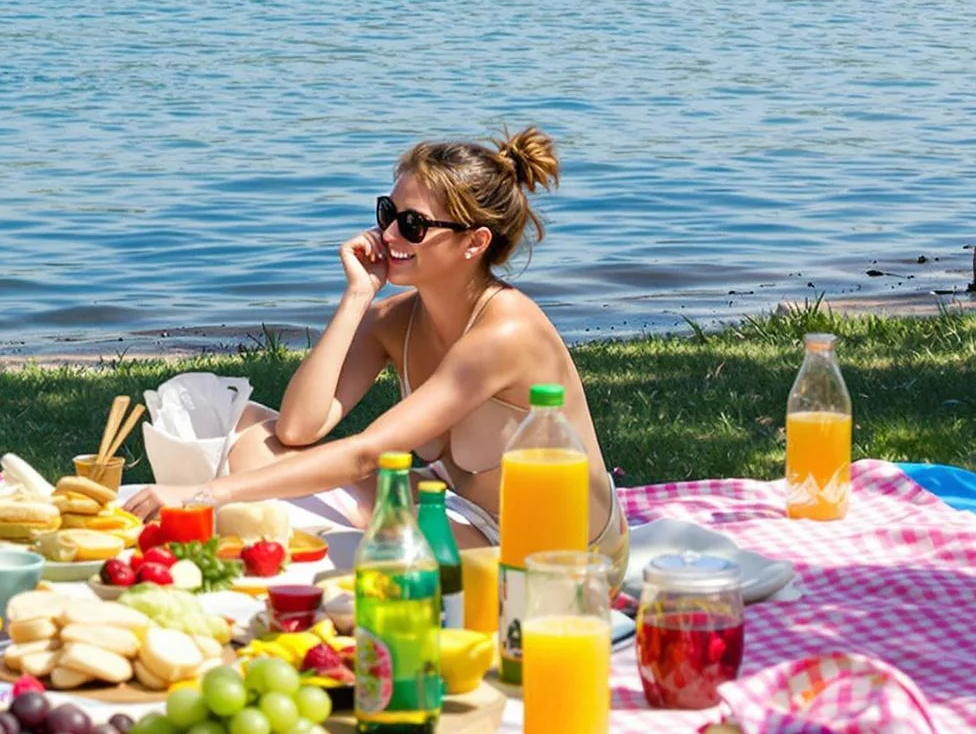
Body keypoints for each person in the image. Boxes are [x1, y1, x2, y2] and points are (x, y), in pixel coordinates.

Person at [126, 128, 626, 580]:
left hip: (559, 558)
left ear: (474, 243)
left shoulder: (505, 333)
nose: (388, 237)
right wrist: (358, 297)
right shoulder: (395, 321)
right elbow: (298, 429)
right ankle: (351, 529)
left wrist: (206, 494)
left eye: (413, 225)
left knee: (365, 555)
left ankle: (351, 535)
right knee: (254, 441)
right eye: (388, 214)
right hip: (458, 514)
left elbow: (367, 452)